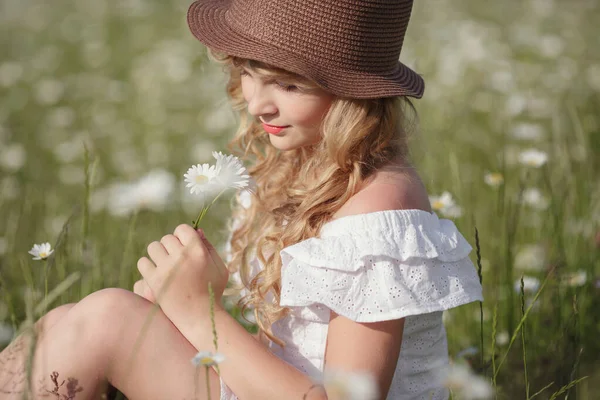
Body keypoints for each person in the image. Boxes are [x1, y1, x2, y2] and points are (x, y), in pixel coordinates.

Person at [0, 0, 484, 399]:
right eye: (250, 72)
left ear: (355, 96)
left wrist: (199, 312)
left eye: (289, 84)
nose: (256, 104)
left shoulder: (382, 205)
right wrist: (182, 311)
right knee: (66, 319)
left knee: (109, 318)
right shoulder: (302, 163)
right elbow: (281, 351)